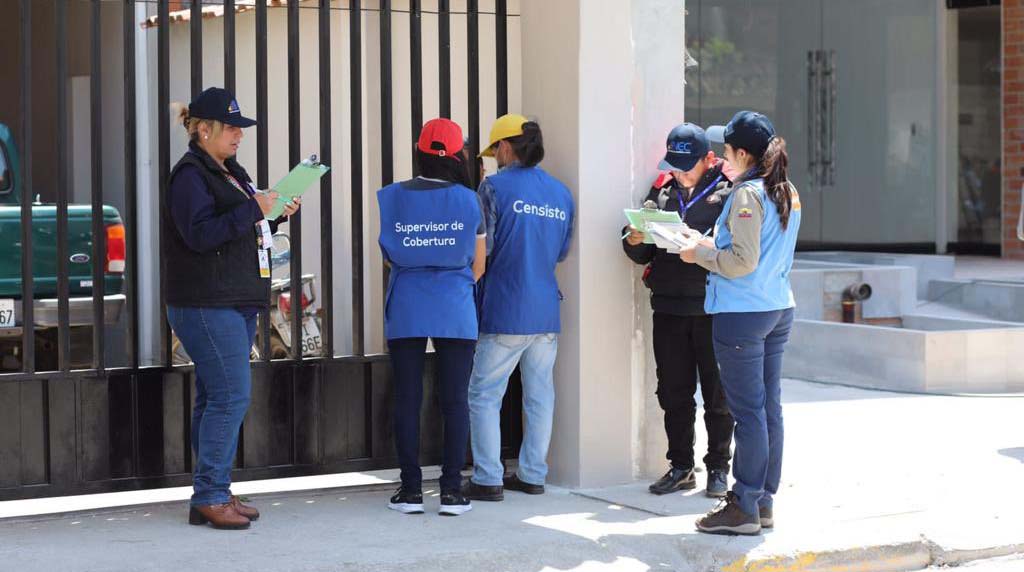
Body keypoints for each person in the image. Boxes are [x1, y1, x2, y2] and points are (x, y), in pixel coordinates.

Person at [165, 87, 300, 530]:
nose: (239, 136)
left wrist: (274, 213)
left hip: (232, 299)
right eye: (231, 128)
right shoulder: (189, 175)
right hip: (206, 302)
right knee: (231, 395)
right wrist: (252, 209)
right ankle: (210, 494)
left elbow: (242, 223)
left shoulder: (226, 170)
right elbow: (200, 235)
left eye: (241, 129)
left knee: (214, 397)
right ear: (203, 130)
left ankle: (212, 490)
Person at [679, 111, 801, 536]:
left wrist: (699, 255)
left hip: (743, 314)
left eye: (726, 149)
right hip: (775, 307)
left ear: (743, 153)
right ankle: (762, 501)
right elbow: (760, 252)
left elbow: (741, 262)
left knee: (747, 412)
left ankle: (744, 505)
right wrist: (709, 244)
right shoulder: (785, 190)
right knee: (768, 409)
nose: (721, 156)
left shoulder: (748, 194)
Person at [462, 115, 574, 502]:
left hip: (506, 307)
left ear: (506, 148)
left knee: (484, 394)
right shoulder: (561, 193)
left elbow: (483, 248)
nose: (494, 158)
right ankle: (532, 475)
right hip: (546, 311)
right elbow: (561, 252)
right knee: (540, 395)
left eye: (495, 150)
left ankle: (488, 478)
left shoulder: (492, 187)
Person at [377, 118, 486, 516]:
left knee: (408, 398)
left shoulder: (392, 197)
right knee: (455, 400)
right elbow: (478, 265)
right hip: (455, 305)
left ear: (419, 150)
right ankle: (452, 492)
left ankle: (409, 492)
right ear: (459, 155)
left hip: (407, 301)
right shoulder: (470, 200)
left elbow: (389, 256)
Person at [622, 123, 734, 498]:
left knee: (717, 395)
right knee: (673, 392)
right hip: (668, 305)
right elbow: (642, 253)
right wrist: (634, 239)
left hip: (712, 308)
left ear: (709, 159)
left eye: (687, 164)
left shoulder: (727, 192)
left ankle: (719, 467)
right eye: (674, 164)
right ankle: (681, 466)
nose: (679, 171)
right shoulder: (661, 191)